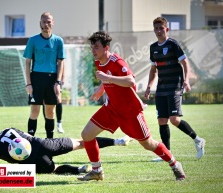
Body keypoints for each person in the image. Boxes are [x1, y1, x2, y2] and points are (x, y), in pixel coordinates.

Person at [77, 31, 186, 182]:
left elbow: (130, 81)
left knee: (148, 144)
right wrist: (101, 89)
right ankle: (97, 171)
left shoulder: (117, 62)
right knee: (87, 135)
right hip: (111, 109)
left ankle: (175, 164)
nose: (93, 50)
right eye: (92, 47)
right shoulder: (98, 61)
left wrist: (107, 78)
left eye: (96, 47)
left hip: (130, 113)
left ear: (106, 48)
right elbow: (107, 79)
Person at [144, 17, 206, 162]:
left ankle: (198, 140)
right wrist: (148, 87)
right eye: (156, 28)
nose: (159, 31)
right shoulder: (153, 47)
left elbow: (185, 62)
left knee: (174, 119)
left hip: (175, 87)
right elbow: (153, 70)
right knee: (162, 121)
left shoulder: (173, 44)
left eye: (161, 28)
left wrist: (186, 80)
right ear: (154, 30)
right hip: (161, 88)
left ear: (167, 29)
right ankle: (167, 154)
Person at [0, 127, 132, 174]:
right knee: (82, 143)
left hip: (32, 161)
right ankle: (118, 141)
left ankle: (79, 170)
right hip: (42, 144)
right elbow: (28, 136)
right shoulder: (7, 129)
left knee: (54, 170)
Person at [23, 12, 65, 138]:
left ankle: (50, 142)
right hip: (36, 78)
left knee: (50, 112)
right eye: (43, 22)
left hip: (52, 79)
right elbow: (27, 63)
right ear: (39, 23)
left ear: (53, 23)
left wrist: (58, 82)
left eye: (48, 22)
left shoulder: (58, 41)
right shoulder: (33, 40)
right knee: (34, 111)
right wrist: (29, 83)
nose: (45, 24)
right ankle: (30, 141)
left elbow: (61, 62)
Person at [42, 65, 65, 133]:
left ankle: (59, 124)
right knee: (45, 101)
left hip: (56, 77)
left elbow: (62, 63)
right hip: (44, 76)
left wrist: (63, 78)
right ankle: (48, 123)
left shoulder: (56, 55)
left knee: (58, 99)